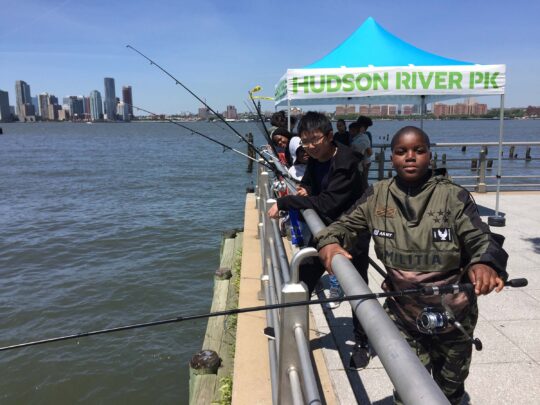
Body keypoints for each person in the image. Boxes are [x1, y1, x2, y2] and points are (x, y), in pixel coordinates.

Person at [315, 126, 509, 404]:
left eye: (419, 151)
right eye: (401, 151)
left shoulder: (454, 196)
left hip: (454, 317)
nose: (410, 157)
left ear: (430, 155)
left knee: (450, 391)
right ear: (391, 157)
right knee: (406, 390)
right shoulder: (377, 195)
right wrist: (329, 244)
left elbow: (483, 239)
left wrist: (485, 264)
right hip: (402, 316)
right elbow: (341, 225)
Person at [267, 111, 372, 369]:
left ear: (329, 137)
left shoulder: (347, 162)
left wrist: (286, 201)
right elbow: (311, 185)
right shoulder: (315, 158)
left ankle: (363, 342)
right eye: (305, 141)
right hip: (325, 230)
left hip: (353, 230)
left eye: (315, 140)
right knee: (304, 274)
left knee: (356, 286)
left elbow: (327, 203)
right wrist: (307, 190)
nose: (310, 147)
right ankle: (290, 327)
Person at [349, 122, 372, 190]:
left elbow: (359, 154)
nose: (349, 132)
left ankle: (367, 196)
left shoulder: (358, 141)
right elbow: (369, 151)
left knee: (363, 182)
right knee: (364, 181)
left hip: (363, 164)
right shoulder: (365, 136)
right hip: (366, 162)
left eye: (350, 130)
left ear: (355, 130)